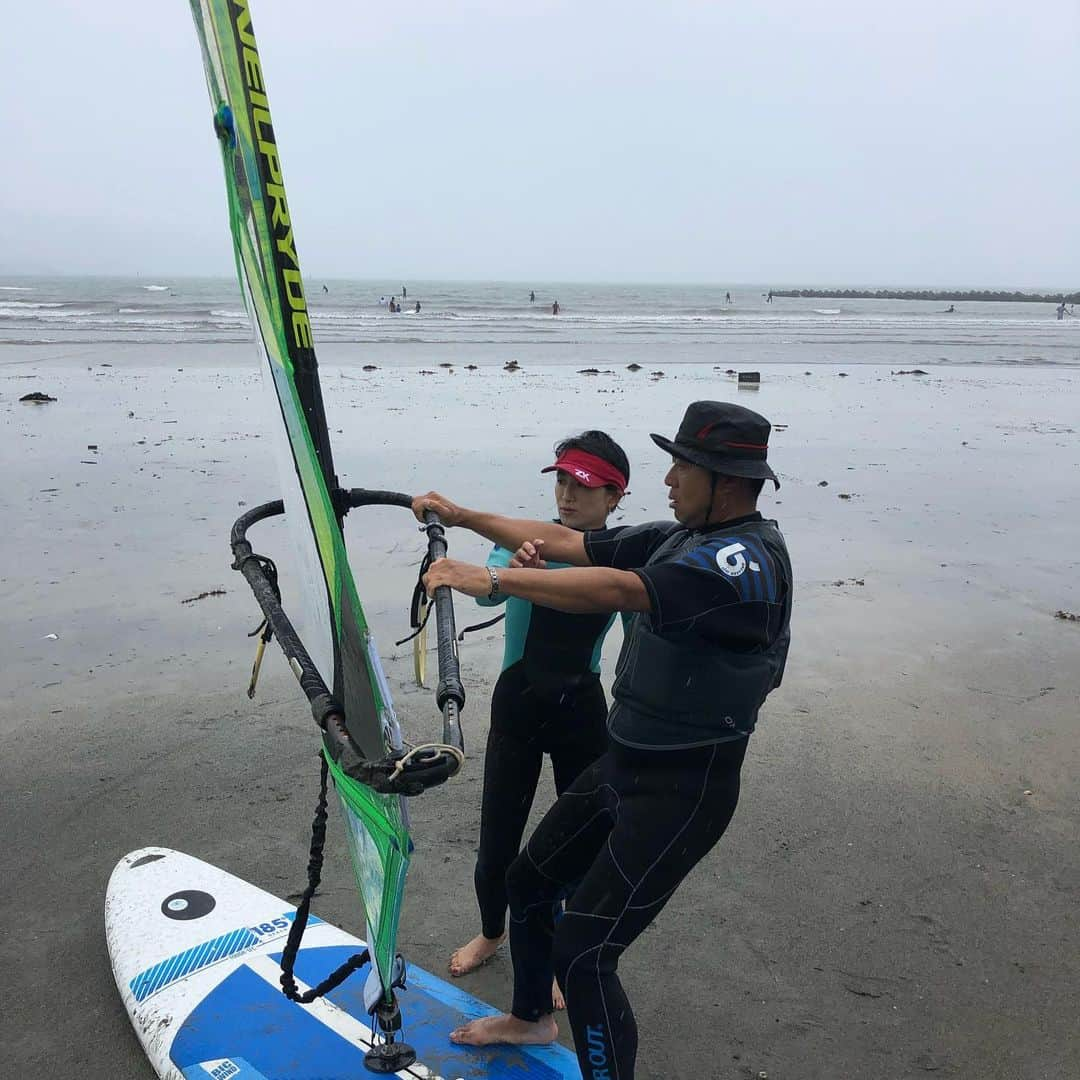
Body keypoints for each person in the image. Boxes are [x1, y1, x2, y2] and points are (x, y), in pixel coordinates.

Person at [413, 401, 792, 1078]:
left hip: (684, 788)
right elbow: (564, 542)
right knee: (529, 884)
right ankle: (530, 1017)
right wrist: (464, 515)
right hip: (624, 760)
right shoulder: (680, 536)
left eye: (683, 466)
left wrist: (491, 577)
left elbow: (617, 588)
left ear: (726, 480)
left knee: (584, 953)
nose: (670, 478)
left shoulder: (742, 561)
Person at [447, 432, 631, 1014]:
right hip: (518, 709)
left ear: (614, 497)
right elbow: (484, 597)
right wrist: (514, 566)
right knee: (497, 841)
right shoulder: (525, 540)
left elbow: (646, 626)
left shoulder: (623, 555)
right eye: (560, 481)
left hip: (582, 714)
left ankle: (561, 949)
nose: (568, 495)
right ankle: (492, 933)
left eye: (582, 486)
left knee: (582, 844)